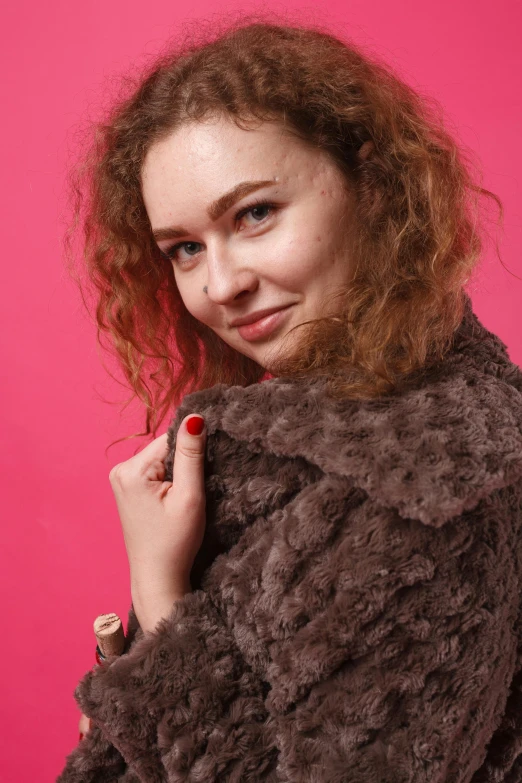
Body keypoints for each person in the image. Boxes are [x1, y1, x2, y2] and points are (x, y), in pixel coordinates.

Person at [58, 17, 522, 783]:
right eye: (184, 248)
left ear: (372, 187)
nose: (221, 283)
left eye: (254, 214)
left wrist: (161, 596)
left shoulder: (429, 486)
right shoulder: (308, 447)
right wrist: (126, 680)